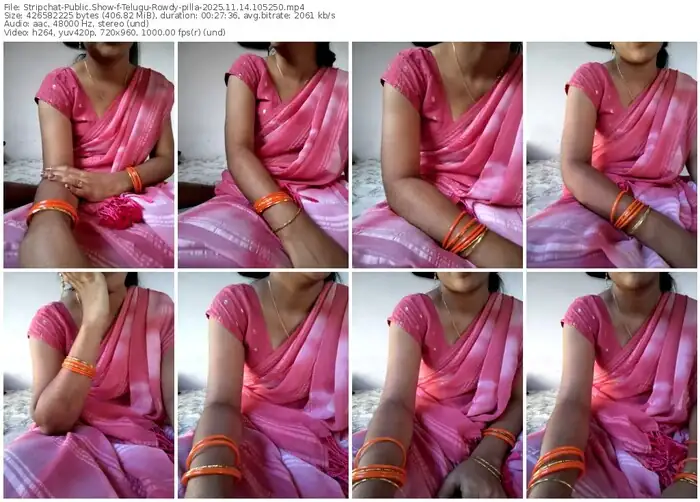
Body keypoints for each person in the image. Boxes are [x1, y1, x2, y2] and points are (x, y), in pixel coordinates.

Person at [3, 272, 175, 498]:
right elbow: (51, 422)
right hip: (67, 435)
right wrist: (93, 322)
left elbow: (171, 400)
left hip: (143, 437)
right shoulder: (51, 320)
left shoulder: (158, 308)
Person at [4, 42, 175, 269]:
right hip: (70, 188)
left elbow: (166, 160)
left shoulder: (157, 88)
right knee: (47, 219)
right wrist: (50, 218)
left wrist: (118, 181)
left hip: (134, 190)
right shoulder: (60, 84)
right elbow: (60, 173)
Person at [178, 42, 349, 268]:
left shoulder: (342, 86)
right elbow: (239, 151)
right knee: (190, 245)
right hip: (251, 189)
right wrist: (295, 229)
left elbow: (340, 157)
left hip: (321, 195)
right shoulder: (250, 69)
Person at [352, 43, 523, 268]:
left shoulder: (525, 75)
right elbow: (400, 181)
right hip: (426, 204)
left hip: (507, 209)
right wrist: (481, 245)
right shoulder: (413, 69)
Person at [178, 272, 348, 498]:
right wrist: (206, 479)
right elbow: (221, 402)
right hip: (248, 421)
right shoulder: (236, 303)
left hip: (331, 432)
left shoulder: (346, 304)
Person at [527, 272, 697, 498]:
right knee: (526, 471)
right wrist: (552, 480)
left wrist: (692, 475)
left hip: (676, 438)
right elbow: (572, 400)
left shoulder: (693, 316)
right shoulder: (587, 312)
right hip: (596, 430)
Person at [353, 272, 523, 498]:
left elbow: (518, 401)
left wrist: (485, 460)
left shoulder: (517, 316)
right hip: (419, 428)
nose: (460, 265)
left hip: (496, 432)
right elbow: (396, 400)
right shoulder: (415, 310)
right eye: (448, 255)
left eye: (469, 256)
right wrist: (377, 474)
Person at [527, 43, 697, 268]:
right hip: (600, 197)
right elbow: (574, 166)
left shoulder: (688, 90)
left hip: (672, 199)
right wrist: (653, 227)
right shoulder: (591, 78)